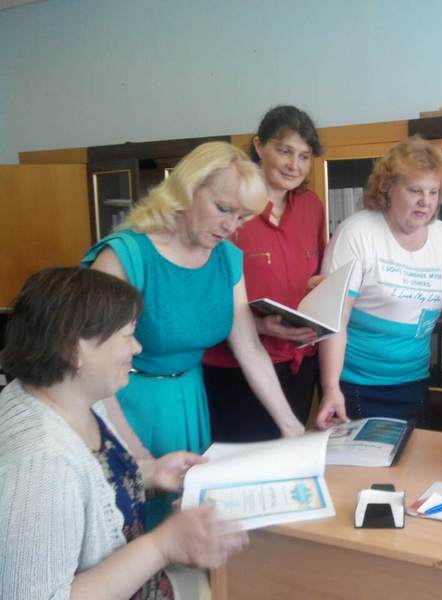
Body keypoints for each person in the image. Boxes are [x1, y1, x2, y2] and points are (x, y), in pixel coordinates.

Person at [83, 141, 304, 528]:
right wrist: (140, 458)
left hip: (190, 400)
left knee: (187, 523)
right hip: (124, 402)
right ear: (186, 190)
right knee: (133, 522)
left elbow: (249, 348)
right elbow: (90, 369)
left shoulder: (227, 259)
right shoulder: (124, 256)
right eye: (223, 209)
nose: (231, 227)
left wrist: (291, 426)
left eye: (241, 217)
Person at [0, 268, 247, 600]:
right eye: (128, 334)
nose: (137, 347)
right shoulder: (39, 464)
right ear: (74, 348)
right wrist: (162, 546)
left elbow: (91, 487)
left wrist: (151, 473)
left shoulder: (76, 397)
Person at [316, 136, 442, 428]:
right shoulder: (358, 232)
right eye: (415, 190)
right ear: (388, 188)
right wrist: (330, 388)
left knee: (410, 455)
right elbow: (335, 319)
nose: (425, 201)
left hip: (414, 381)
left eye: (433, 192)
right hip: (357, 385)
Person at [204, 106, 325, 442]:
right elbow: (203, 294)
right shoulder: (230, 209)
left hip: (299, 363)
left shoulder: (312, 206)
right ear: (259, 146)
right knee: (245, 464)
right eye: (284, 151)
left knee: (289, 457)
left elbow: (316, 273)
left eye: (304, 156)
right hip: (235, 369)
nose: (294, 165)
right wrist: (257, 325)